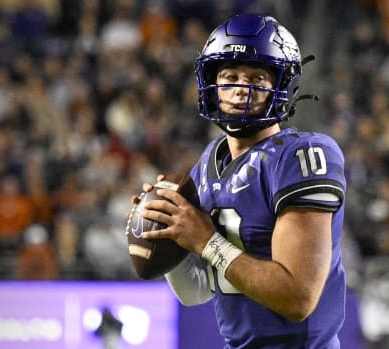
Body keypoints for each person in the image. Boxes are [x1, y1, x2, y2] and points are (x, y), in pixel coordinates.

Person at [134, 14, 347, 348]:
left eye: (256, 78)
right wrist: (171, 233)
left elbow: (298, 299)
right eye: (229, 76)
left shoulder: (301, 155)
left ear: (282, 85)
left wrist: (204, 240)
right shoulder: (209, 162)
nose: (240, 89)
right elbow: (197, 293)